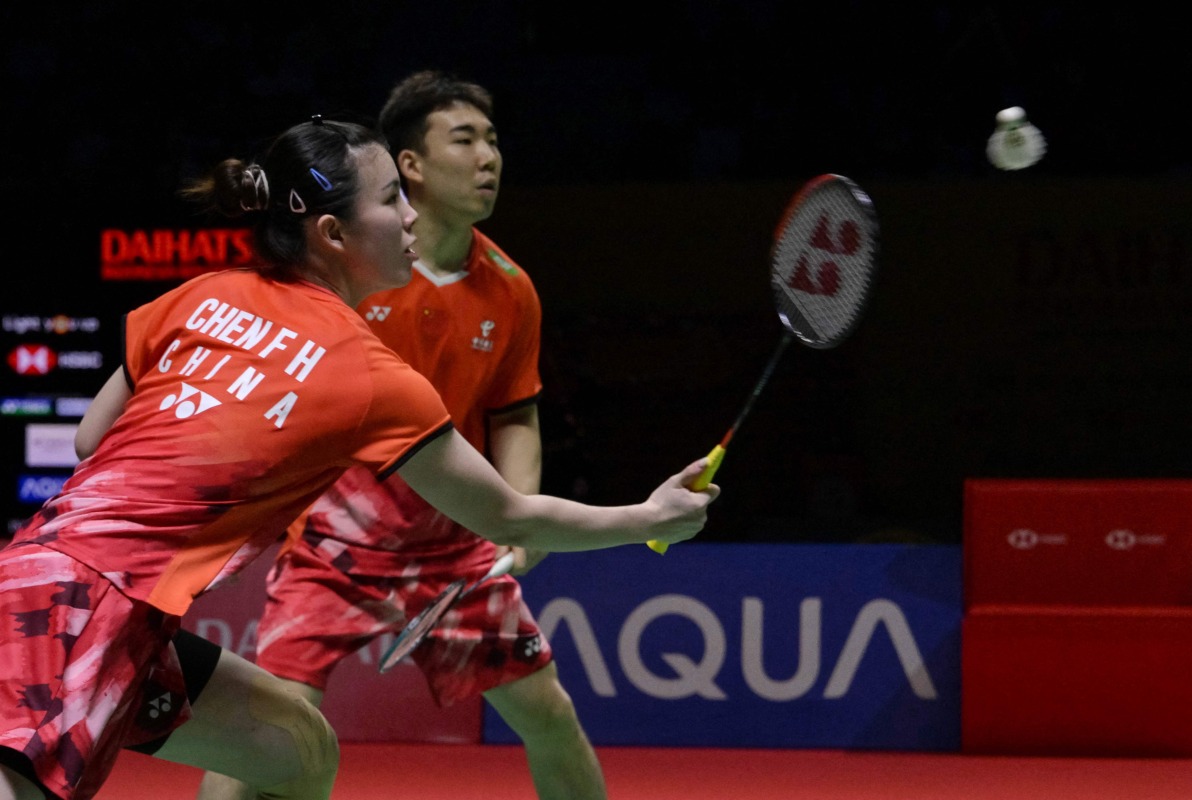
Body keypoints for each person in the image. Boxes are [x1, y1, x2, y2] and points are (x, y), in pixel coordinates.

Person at [0, 115, 718, 800]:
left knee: (297, 748)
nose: (409, 217)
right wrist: (649, 516)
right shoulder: (369, 376)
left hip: (56, 579)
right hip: (84, 610)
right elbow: (510, 515)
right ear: (334, 232)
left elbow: (92, 439)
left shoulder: (201, 295)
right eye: (390, 199)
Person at [195, 70, 608, 800]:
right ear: (409, 164)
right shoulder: (355, 272)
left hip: (453, 553)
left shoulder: (509, 287)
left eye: (493, 140)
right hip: (333, 545)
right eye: (465, 138)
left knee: (549, 717)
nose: (489, 157)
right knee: (261, 740)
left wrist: (522, 512)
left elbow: (515, 413)